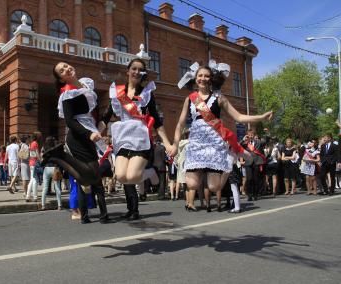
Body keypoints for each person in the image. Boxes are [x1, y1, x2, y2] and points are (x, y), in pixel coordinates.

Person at [171, 61, 273, 211]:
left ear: (211, 78)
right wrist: (175, 144)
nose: (203, 79)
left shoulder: (219, 98)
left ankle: (229, 160)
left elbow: (239, 117)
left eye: (206, 76)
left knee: (215, 186)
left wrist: (261, 117)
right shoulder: (190, 98)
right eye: (200, 76)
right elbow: (180, 124)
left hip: (214, 142)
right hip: (196, 142)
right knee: (192, 184)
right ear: (195, 78)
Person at [99, 58, 172, 219]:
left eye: (140, 70)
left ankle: (148, 177)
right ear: (128, 71)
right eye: (134, 69)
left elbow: (157, 122)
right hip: (123, 137)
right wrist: (96, 133)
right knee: (121, 176)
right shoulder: (117, 92)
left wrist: (167, 143)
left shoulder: (146, 94)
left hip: (139, 137)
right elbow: (105, 118)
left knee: (132, 176)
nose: (137, 72)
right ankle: (131, 209)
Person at [45, 62, 110, 224]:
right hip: (78, 136)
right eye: (62, 71)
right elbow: (70, 122)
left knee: (86, 179)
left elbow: (91, 114)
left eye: (66, 66)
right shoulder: (67, 94)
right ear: (61, 79)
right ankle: (60, 156)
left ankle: (88, 216)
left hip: (89, 131)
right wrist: (89, 134)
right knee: (93, 174)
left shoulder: (86, 84)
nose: (66, 69)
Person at [41, 136, 62, 210]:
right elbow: (59, 159)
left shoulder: (44, 149)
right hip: (55, 168)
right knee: (57, 187)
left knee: (45, 188)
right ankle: (59, 205)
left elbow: (42, 159)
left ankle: (43, 205)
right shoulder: (56, 149)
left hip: (46, 168)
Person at [27, 132, 42, 202]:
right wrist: (41, 160)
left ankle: (28, 196)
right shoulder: (35, 143)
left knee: (32, 179)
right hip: (35, 163)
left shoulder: (31, 143)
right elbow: (37, 154)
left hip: (31, 162)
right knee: (35, 180)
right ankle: (35, 196)